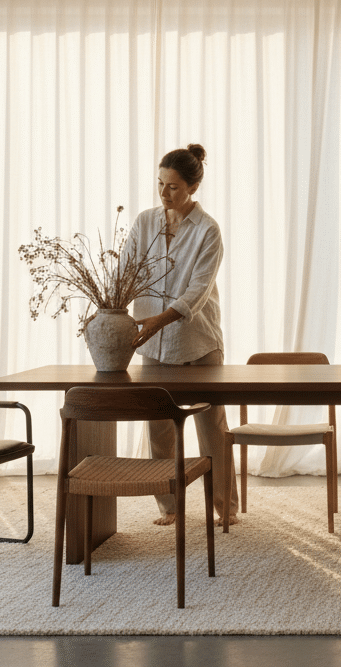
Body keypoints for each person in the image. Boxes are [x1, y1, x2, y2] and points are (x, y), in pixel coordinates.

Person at [123, 143, 238, 527]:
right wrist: (113, 309)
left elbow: (198, 290)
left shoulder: (208, 231)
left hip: (198, 342)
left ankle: (225, 508)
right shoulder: (144, 223)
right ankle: (170, 507)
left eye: (173, 186)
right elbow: (126, 271)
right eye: (160, 183)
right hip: (151, 344)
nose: (164, 192)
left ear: (193, 187)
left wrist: (160, 319)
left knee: (212, 428)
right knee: (159, 428)